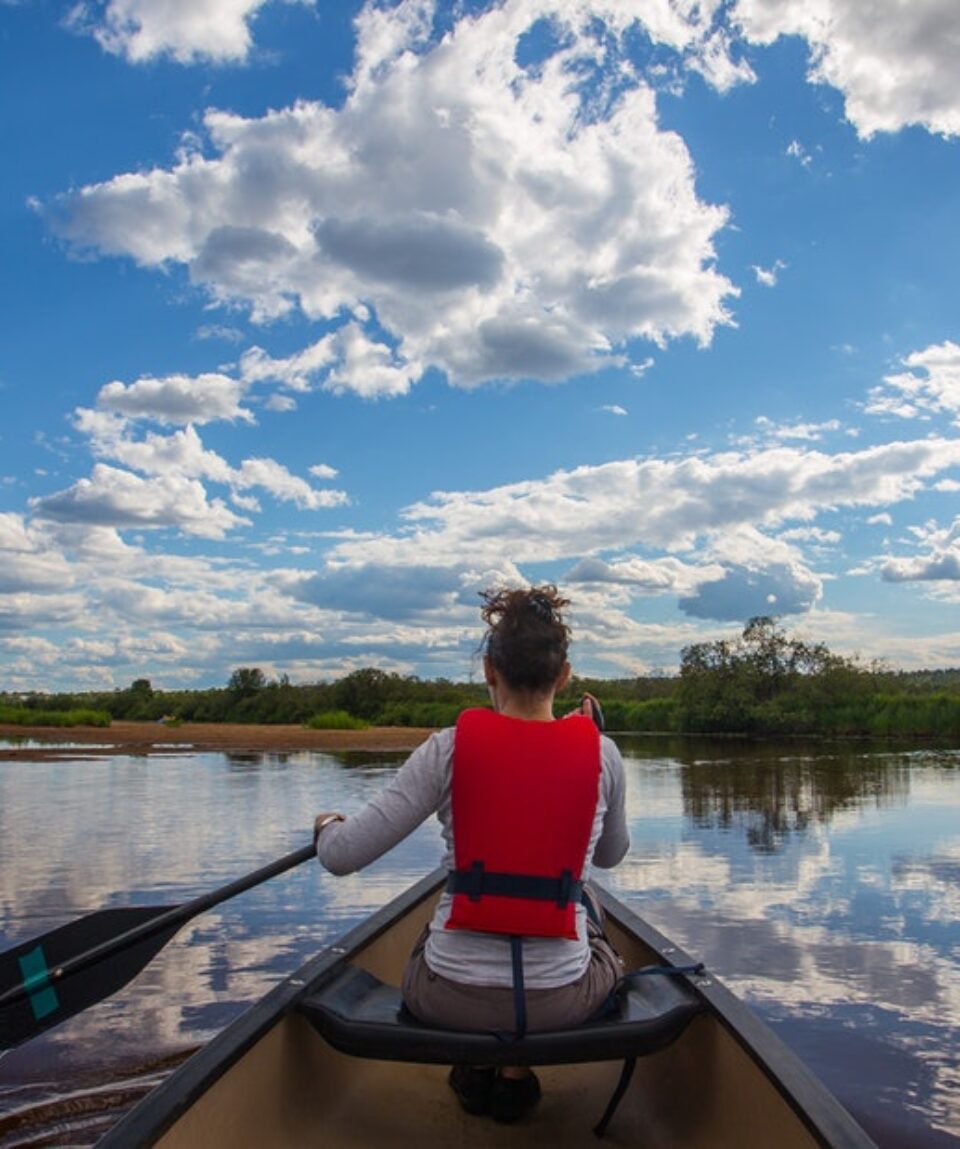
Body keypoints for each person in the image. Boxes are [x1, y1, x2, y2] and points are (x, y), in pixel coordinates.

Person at [313, 585, 629, 1122]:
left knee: (442, 907)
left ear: (489, 670)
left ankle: (480, 1068)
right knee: (590, 911)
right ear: (565, 675)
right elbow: (610, 858)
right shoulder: (603, 754)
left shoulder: (447, 748)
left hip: (447, 997)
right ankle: (512, 1075)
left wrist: (326, 827)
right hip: (563, 1000)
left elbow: (340, 857)